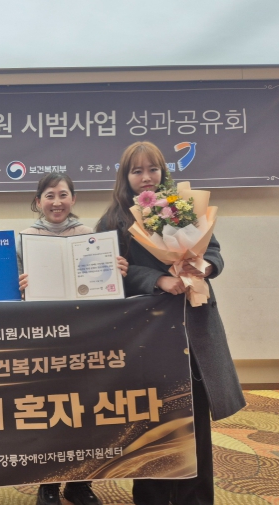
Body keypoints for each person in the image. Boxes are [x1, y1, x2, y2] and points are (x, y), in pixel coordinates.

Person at [95, 141, 245, 505]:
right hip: (147, 332)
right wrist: (156, 279)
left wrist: (202, 267)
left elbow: (214, 252)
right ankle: (152, 497)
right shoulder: (113, 220)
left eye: (153, 169)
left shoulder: (183, 207)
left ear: (164, 172)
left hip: (194, 324)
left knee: (195, 418)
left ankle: (196, 498)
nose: (146, 177)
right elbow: (109, 275)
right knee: (152, 421)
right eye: (137, 171)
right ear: (125, 177)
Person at [17, 173, 126, 505]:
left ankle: (81, 483)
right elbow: (12, 292)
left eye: (63, 195)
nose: (57, 202)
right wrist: (17, 284)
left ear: (73, 199)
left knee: (86, 409)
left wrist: (116, 271)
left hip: (83, 336)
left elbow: (106, 288)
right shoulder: (25, 238)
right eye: (49, 195)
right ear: (38, 201)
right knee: (48, 410)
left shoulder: (90, 236)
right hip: (43, 338)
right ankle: (48, 483)